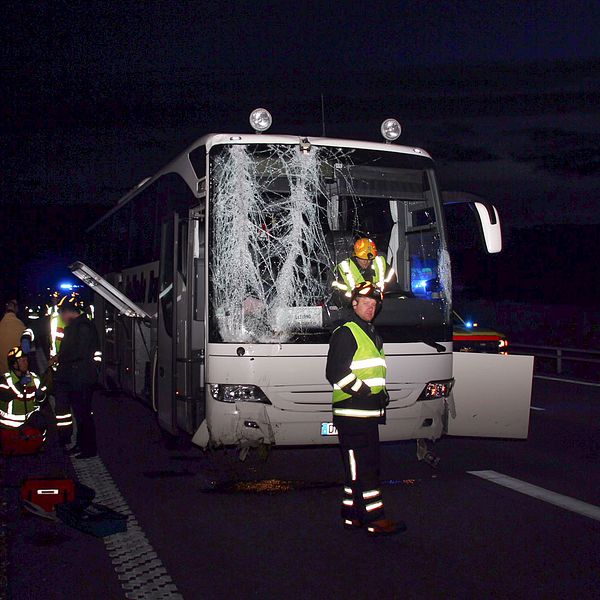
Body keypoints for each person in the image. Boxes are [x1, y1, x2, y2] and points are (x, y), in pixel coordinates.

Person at [326, 281, 406, 536]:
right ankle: (375, 518)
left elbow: (371, 373)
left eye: (374, 304)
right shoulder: (347, 332)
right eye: (366, 303)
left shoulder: (369, 333)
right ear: (354, 304)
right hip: (353, 413)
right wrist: (366, 392)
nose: (371, 308)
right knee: (367, 468)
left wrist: (381, 394)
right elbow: (336, 373)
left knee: (358, 468)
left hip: (366, 414)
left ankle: (352, 514)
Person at [51, 294, 100, 458]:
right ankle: (81, 445)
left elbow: (78, 352)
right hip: (77, 378)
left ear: (67, 313)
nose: (61, 319)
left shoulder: (82, 327)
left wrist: (60, 358)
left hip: (81, 379)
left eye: (62, 316)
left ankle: (88, 449)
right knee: (80, 416)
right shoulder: (80, 326)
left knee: (83, 415)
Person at [0, 346, 47, 436]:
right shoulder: (5, 380)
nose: (26, 363)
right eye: (22, 360)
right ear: (14, 364)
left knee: (42, 421)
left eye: (26, 360)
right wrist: (21, 384)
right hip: (8, 427)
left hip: (29, 425)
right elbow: (6, 396)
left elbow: (43, 402)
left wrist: (41, 396)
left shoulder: (35, 379)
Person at [331, 238, 396, 299]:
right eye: (363, 259)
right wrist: (358, 295)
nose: (366, 262)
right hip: (354, 306)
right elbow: (338, 294)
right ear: (356, 256)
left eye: (369, 259)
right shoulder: (343, 268)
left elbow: (392, 281)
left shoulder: (380, 262)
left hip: (379, 301)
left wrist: (378, 289)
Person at [0, 299, 35, 374]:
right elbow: (28, 350)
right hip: (15, 372)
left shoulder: (1, 324)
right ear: (16, 308)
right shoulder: (20, 326)